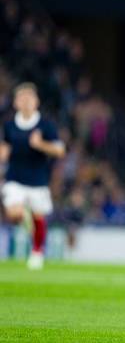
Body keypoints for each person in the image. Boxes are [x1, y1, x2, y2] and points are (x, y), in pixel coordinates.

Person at [0, 82, 66, 269]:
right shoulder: (10, 126)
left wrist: (40, 145)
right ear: (16, 103)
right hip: (15, 178)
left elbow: (60, 151)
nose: (26, 101)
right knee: (14, 213)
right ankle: (24, 216)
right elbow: (5, 147)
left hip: (38, 180)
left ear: (36, 101)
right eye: (22, 98)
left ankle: (37, 252)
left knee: (39, 218)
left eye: (30, 97)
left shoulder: (46, 125)